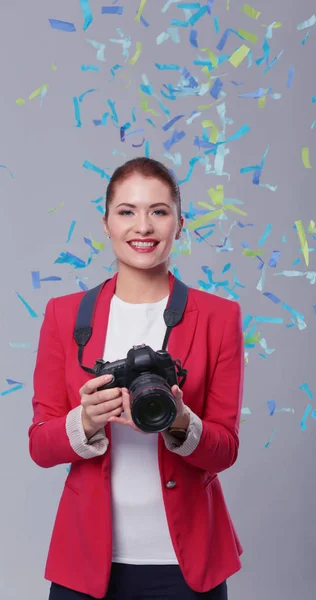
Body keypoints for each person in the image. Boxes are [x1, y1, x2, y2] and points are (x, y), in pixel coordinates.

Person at [29, 157, 244, 600]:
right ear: (105, 223)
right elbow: (40, 446)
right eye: (126, 211)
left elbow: (224, 452)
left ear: (180, 224)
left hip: (188, 565)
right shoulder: (64, 316)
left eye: (158, 211)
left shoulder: (221, 318)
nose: (142, 227)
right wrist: (85, 420)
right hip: (87, 563)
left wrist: (181, 420)